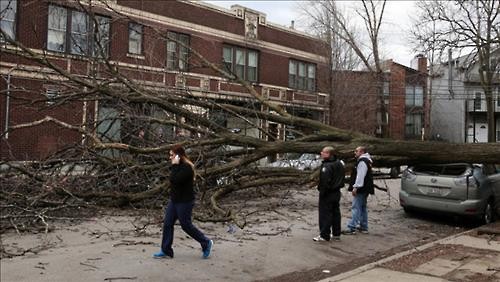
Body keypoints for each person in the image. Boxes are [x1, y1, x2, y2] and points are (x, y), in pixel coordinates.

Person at [153, 145, 213, 259]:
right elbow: (172, 180)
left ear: (178, 156)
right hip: (174, 200)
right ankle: (166, 250)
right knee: (167, 223)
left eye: (171, 155)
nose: (170, 158)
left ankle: (206, 242)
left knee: (186, 225)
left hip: (185, 201)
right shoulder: (177, 166)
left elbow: (175, 180)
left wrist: (175, 166)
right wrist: (174, 166)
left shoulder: (187, 168)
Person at [313, 146, 345, 242]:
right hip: (337, 192)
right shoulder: (339, 163)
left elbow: (325, 181)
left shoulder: (327, 166)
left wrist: (322, 191)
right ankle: (336, 234)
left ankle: (324, 235)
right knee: (335, 213)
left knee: (325, 214)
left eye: (323, 152)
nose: (321, 153)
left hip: (328, 193)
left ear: (328, 154)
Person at [343, 146, 374, 235]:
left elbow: (360, 175)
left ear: (362, 152)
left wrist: (356, 187)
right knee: (362, 207)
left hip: (361, 188)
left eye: (356, 151)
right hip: (366, 188)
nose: (355, 153)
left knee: (356, 207)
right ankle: (364, 226)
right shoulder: (367, 161)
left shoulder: (362, 162)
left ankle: (351, 227)